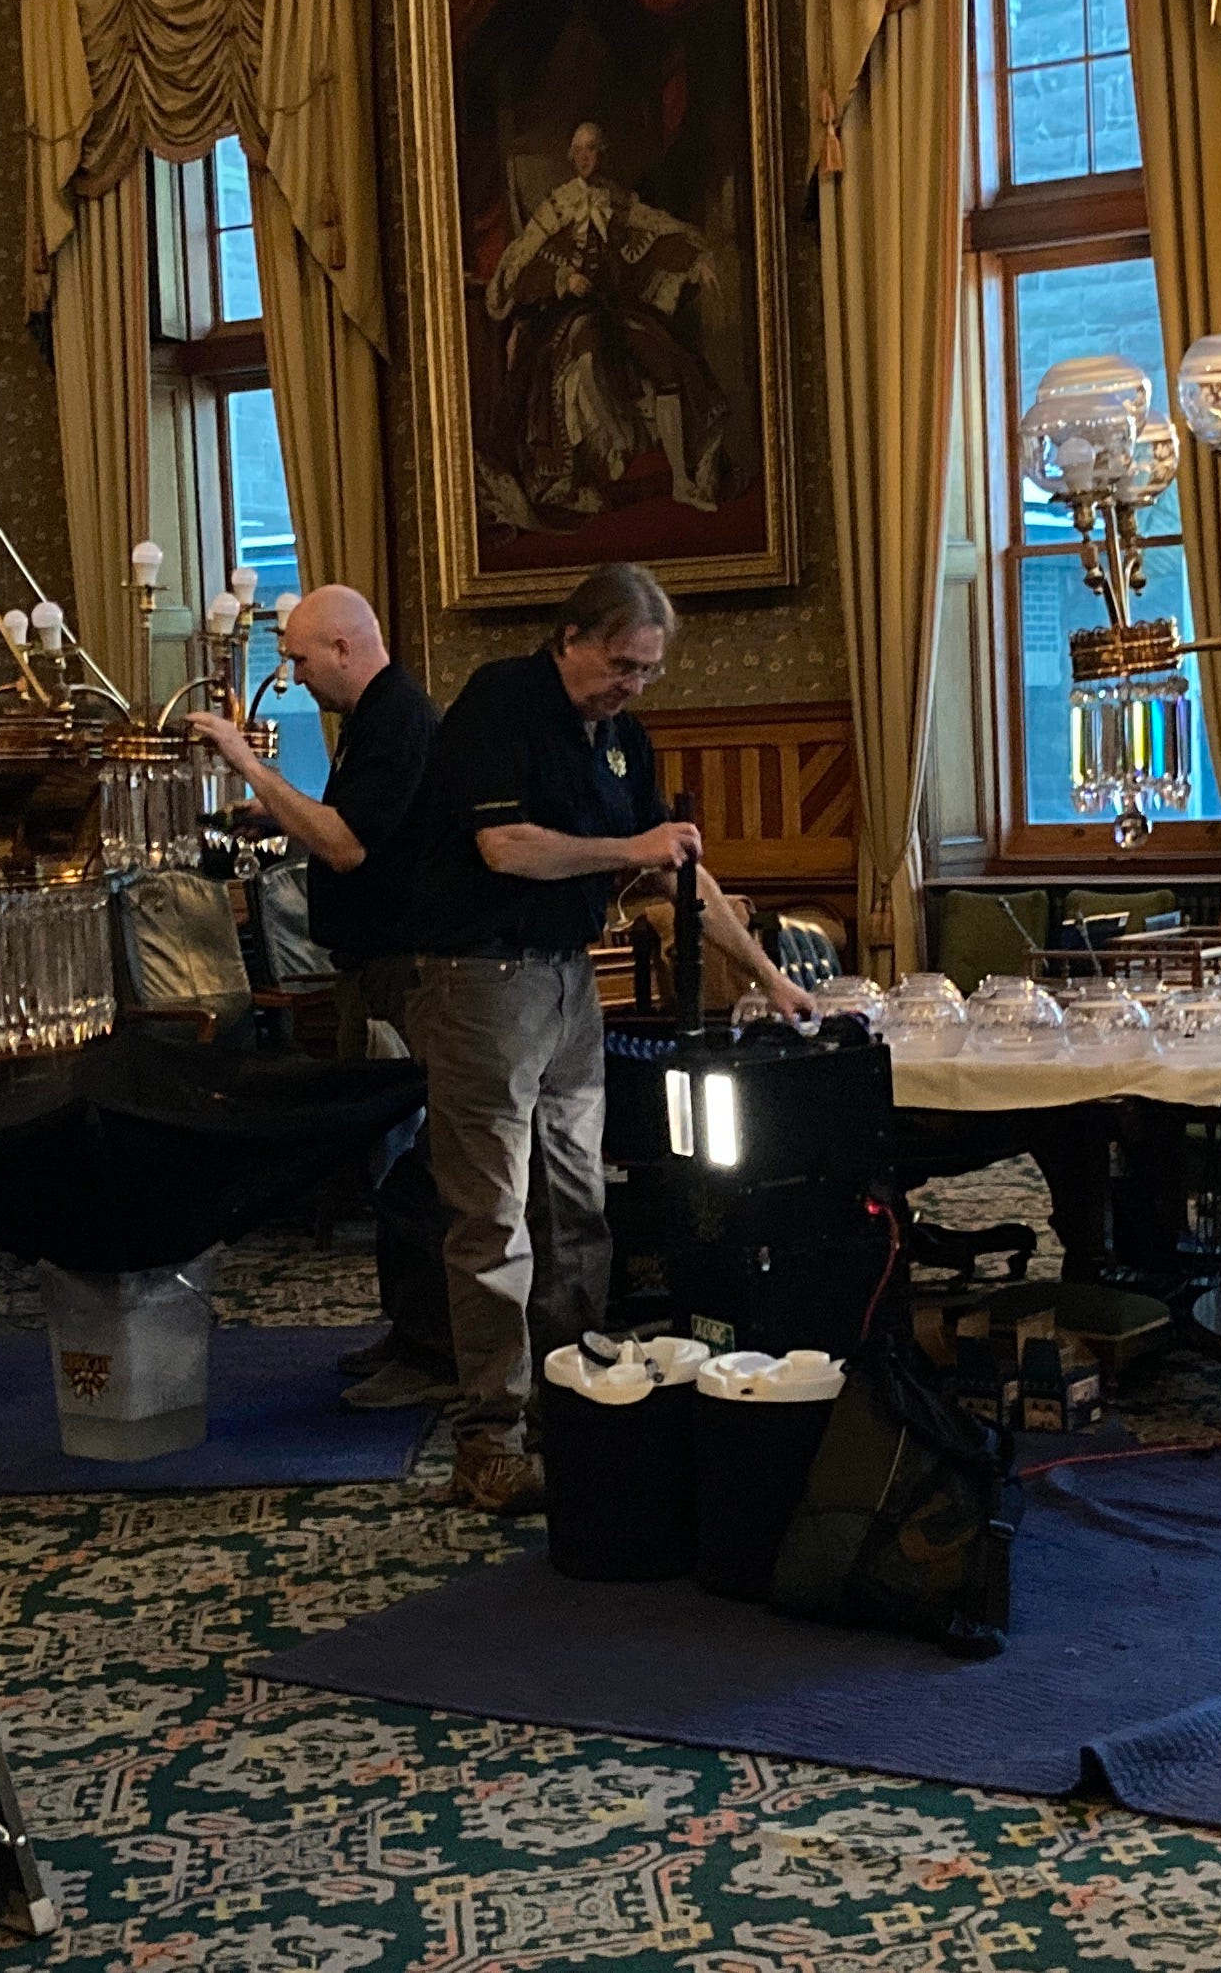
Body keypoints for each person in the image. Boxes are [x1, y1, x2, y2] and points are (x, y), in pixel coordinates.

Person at [397, 561, 810, 1514]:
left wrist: (772, 976)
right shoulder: (502, 701)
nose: (632, 686)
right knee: (493, 1219)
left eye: (648, 672)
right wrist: (631, 849)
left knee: (579, 1207)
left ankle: (574, 1403)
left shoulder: (623, 738)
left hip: (566, 978)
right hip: (479, 978)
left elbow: (680, 874)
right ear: (571, 638)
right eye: (622, 665)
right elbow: (506, 847)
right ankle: (489, 1438)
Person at [184, 584, 453, 1412]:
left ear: (343, 647)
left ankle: (433, 1352)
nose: (294, 677)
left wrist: (249, 764)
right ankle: (412, 1334)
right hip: (377, 966)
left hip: (412, 971)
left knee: (421, 1173)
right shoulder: (372, 721)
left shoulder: (397, 718)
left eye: (300, 659)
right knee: (398, 1166)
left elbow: (346, 845)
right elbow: (354, 825)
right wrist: (273, 817)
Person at [478, 122, 733, 528]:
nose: (584, 157)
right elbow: (523, 267)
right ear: (571, 156)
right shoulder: (558, 206)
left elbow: (658, 238)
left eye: (591, 149)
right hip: (565, 313)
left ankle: (682, 481)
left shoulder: (617, 201)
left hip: (612, 307)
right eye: (578, 150)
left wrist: (694, 262)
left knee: (666, 361)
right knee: (587, 345)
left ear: (603, 153)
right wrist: (563, 279)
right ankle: (613, 441)